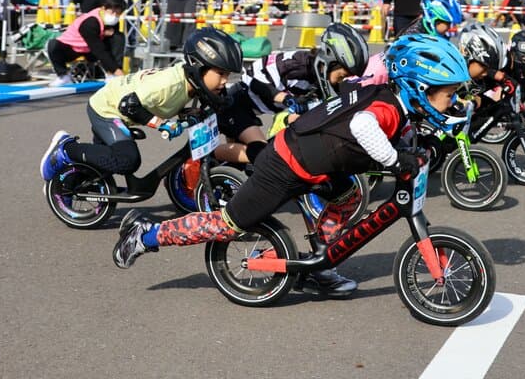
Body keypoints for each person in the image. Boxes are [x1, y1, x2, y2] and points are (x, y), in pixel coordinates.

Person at [111, 33, 470, 300]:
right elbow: (363, 127)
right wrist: (395, 160)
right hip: (283, 166)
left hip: (317, 165)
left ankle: (320, 264)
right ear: (420, 87)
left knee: (345, 199)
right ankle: (145, 234)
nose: (452, 100)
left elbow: (406, 138)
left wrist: (422, 152)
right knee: (226, 224)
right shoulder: (386, 108)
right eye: (448, 93)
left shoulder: (396, 105)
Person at [39, 27, 243, 183]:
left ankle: (68, 184)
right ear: (199, 67)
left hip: (123, 108)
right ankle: (66, 149)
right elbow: (129, 105)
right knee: (126, 160)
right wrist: (161, 123)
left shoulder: (194, 82)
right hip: (108, 109)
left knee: (102, 168)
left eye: (227, 75)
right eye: (221, 74)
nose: (225, 80)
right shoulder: (168, 85)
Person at [215, 23, 369, 166]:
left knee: (249, 162)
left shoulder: (320, 76)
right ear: (330, 62)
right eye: (341, 76)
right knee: (260, 152)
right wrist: (288, 100)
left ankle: (228, 172)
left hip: (253, 110)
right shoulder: (298, 64)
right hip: (235, 104)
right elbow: (254, 81)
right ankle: (208, 158)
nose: (340, 82)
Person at [45, 0, 127, 87]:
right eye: (112, 12)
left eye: (118, 14)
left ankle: (111, 75)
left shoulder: (113, 21)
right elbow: (99, 50)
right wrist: (118, 71)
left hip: (90, 50)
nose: (115, 16)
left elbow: (105, 46)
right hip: (72, 48)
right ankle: (63, 76)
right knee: (53, 44)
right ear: (104, 8)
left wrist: (115, 69)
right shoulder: (90, 22)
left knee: (118, 36)